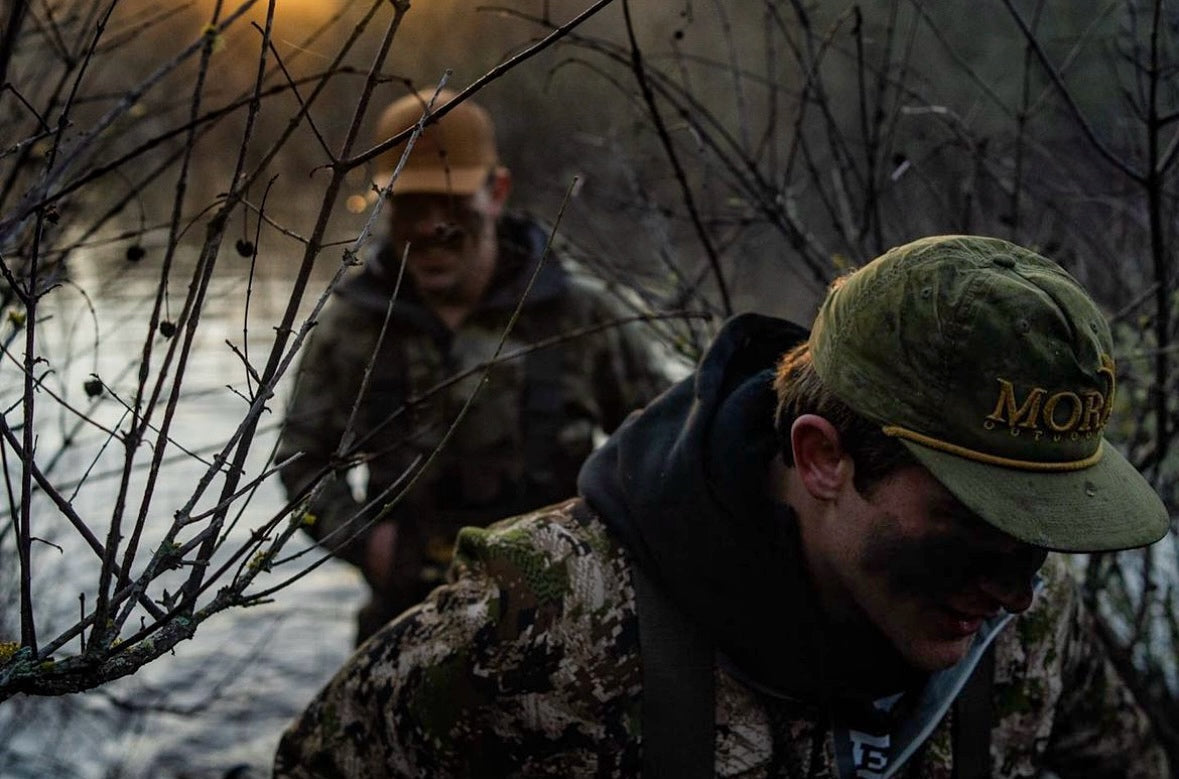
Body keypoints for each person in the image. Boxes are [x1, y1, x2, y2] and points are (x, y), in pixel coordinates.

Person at [273, 235, 1172, 777]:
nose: (1013, 590)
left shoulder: (1028, 618)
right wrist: (363, 543)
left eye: (1040, 533)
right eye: (973, 527)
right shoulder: (537, 628)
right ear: (822, 456)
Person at [276, 87, 668, 644]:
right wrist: (365, 542)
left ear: (497, 192)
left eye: (453, 202)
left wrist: (611, 541)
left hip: (568, 623)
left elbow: (665, 438)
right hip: (408, 619)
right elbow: (299, 461)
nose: (434, 227)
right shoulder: (350, 327)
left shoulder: (580, 314)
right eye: (412, 205)